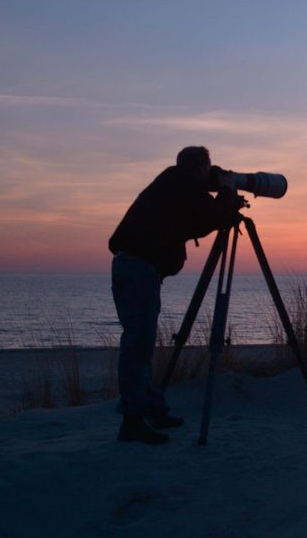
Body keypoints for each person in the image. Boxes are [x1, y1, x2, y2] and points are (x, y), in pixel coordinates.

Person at [108, 146, 236, 444]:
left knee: (141, 344)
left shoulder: (173, 183)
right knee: (138, 344)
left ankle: (151, 410)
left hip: (136, 269)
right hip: (138, 270)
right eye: (208, 169)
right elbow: (212, 217)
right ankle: (132, 421)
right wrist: (228, 191)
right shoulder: (182, 188)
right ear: (200, 168)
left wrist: (221, 193)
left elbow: (201, 218)